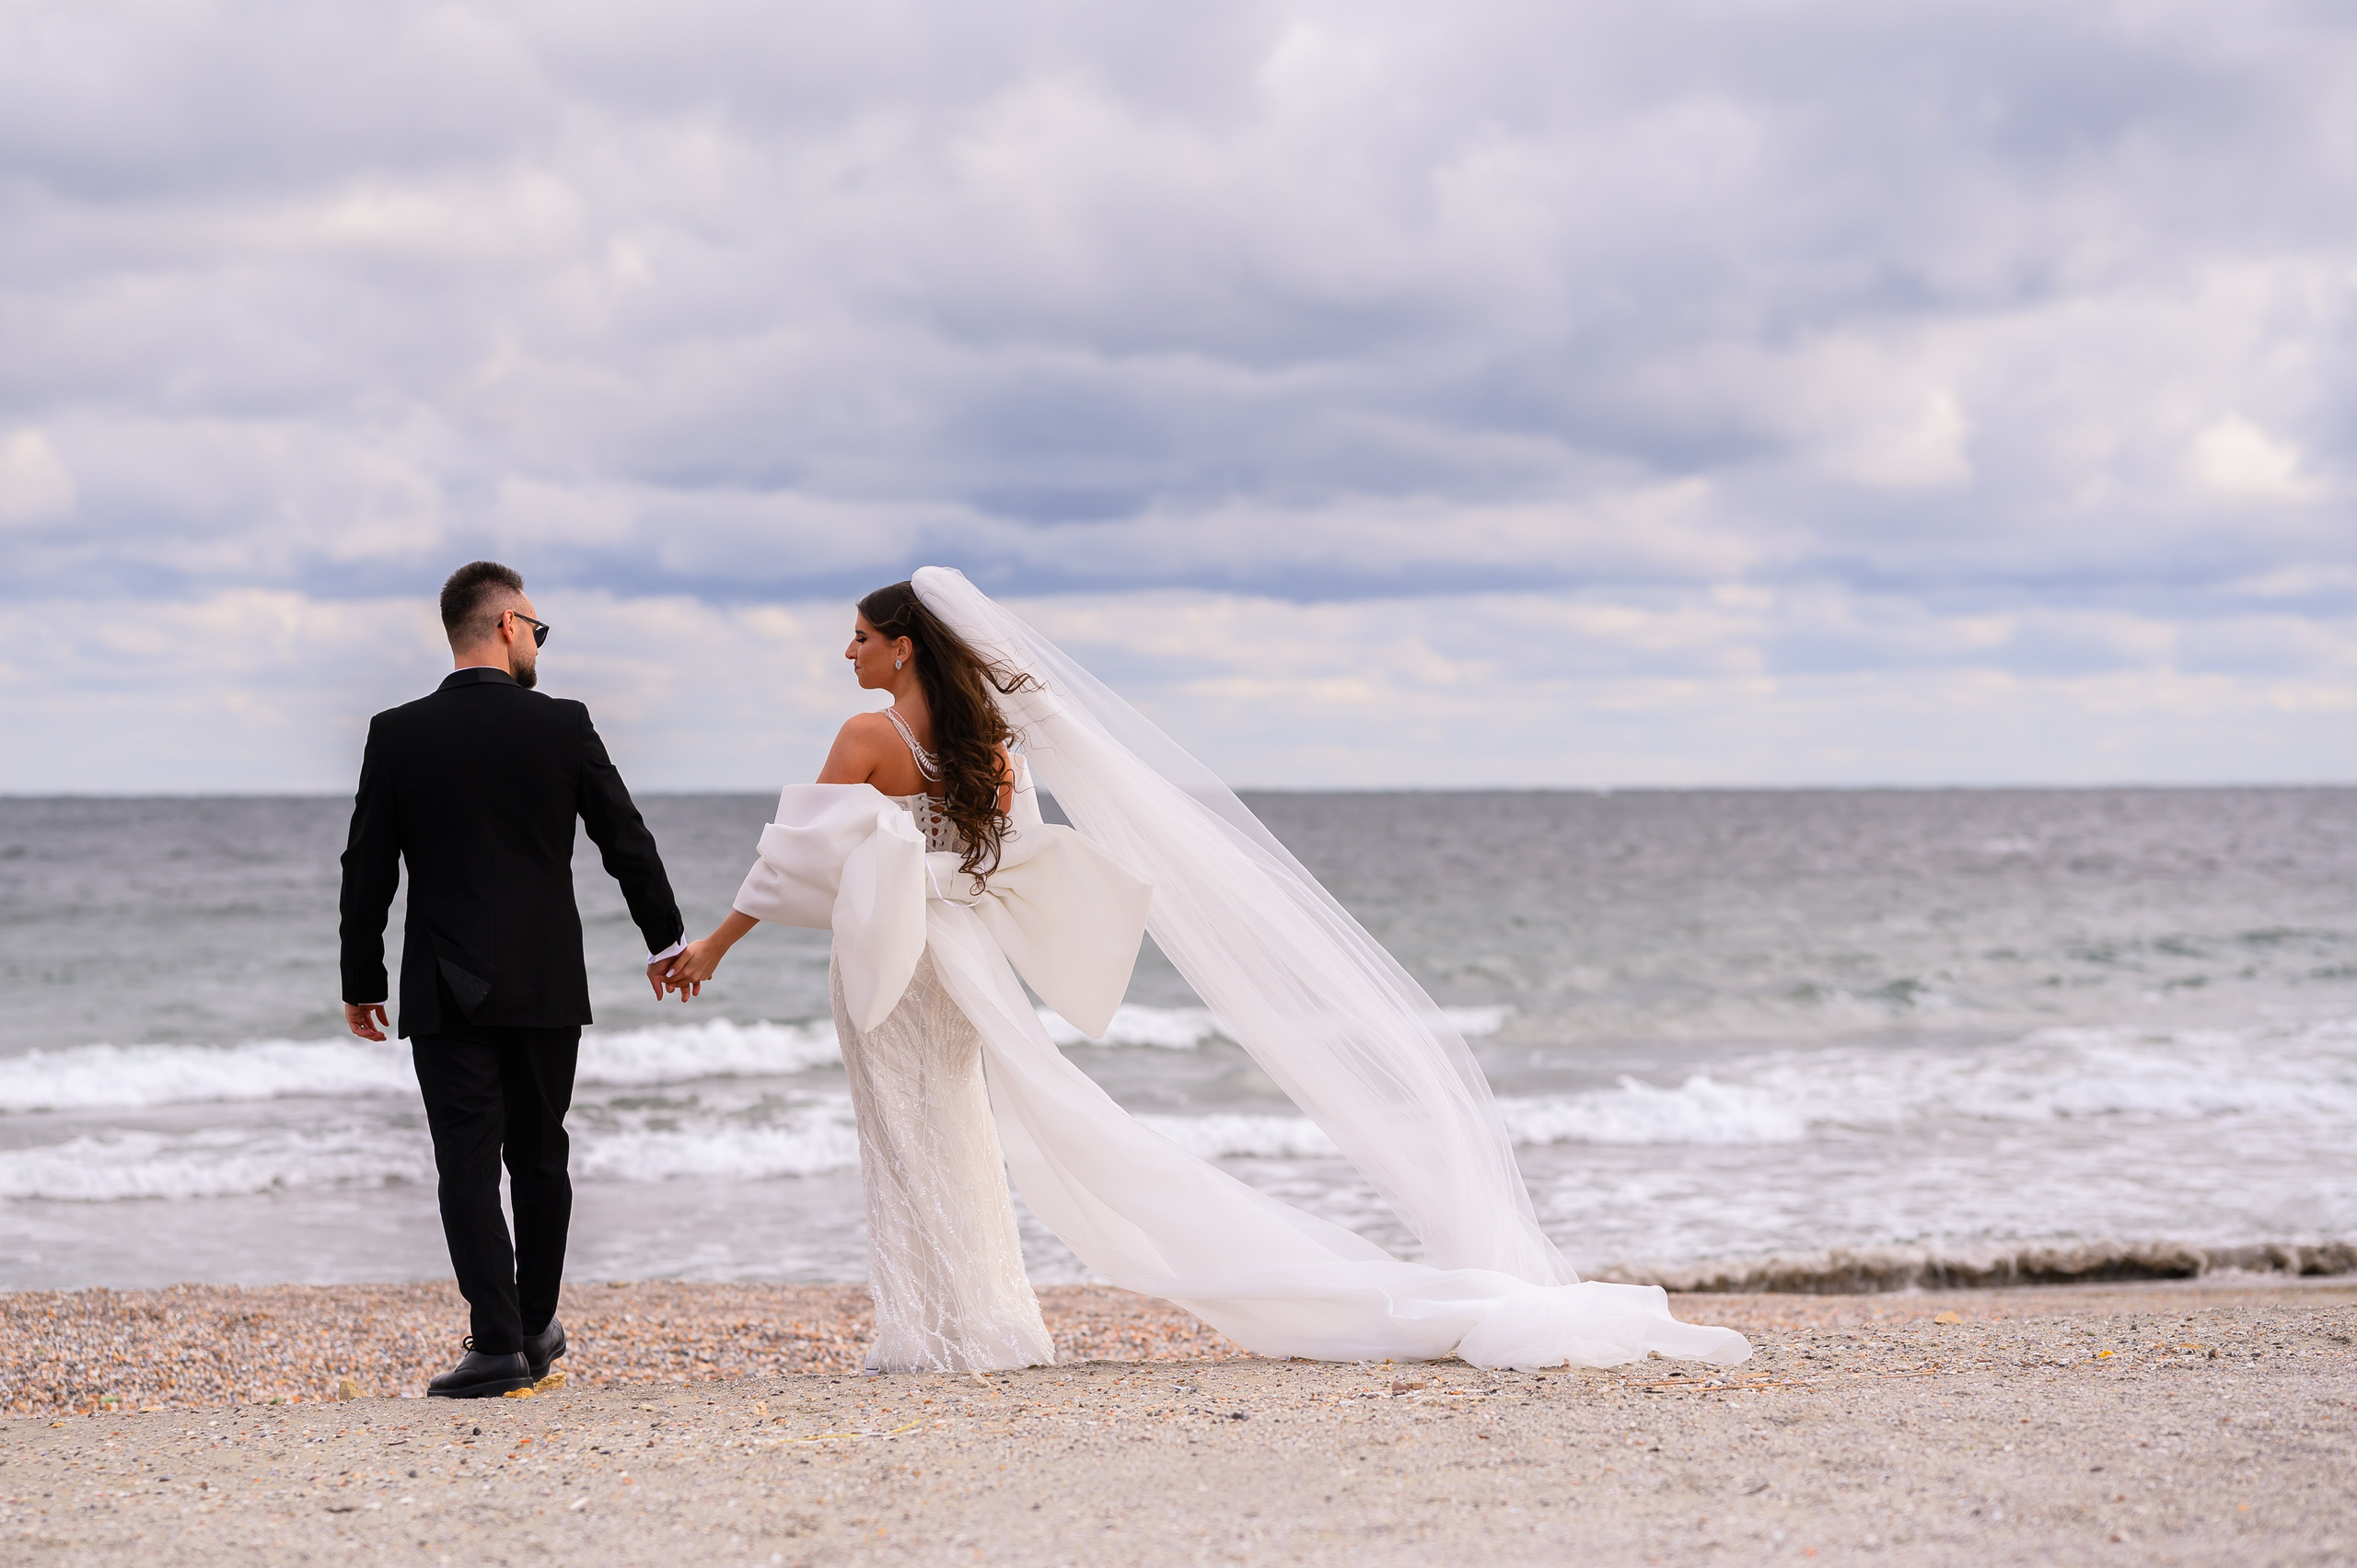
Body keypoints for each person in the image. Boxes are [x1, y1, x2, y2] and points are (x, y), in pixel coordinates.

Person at [669, 568, 1753, 1376]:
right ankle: (986, 1325)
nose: (845, 652)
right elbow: (1016, 861)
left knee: (905, 1136)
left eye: (858, 636)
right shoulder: (998, 747)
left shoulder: (863, 736)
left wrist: (711, 947)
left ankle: (932, 1330)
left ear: (903, 647)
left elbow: (789, 863)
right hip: (966, 957)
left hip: (897, 958)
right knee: (957, 1129)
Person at [339, 561, 689, 1398]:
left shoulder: (397, 732)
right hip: (545, 979)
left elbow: (367, 867)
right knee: (540, 1155)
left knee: (466, 1159)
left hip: (444, 982)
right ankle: (532, 1328)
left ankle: (498, 1343)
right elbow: (625, 838)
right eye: (536, 626)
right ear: (504, 625)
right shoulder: (564, 725)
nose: (539, 640)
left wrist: (363, 977)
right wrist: (665, 938)